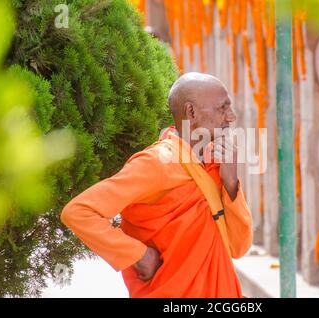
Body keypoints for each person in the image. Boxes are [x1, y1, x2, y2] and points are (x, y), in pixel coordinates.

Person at [61, 72, 253, 297]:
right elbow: (78, 212)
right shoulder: (156, 164)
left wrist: (231, 183)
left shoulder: (214, 163)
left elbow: (238, 247)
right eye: (222, 107)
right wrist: (138, 254)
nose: (230, 117)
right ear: (191, 112)